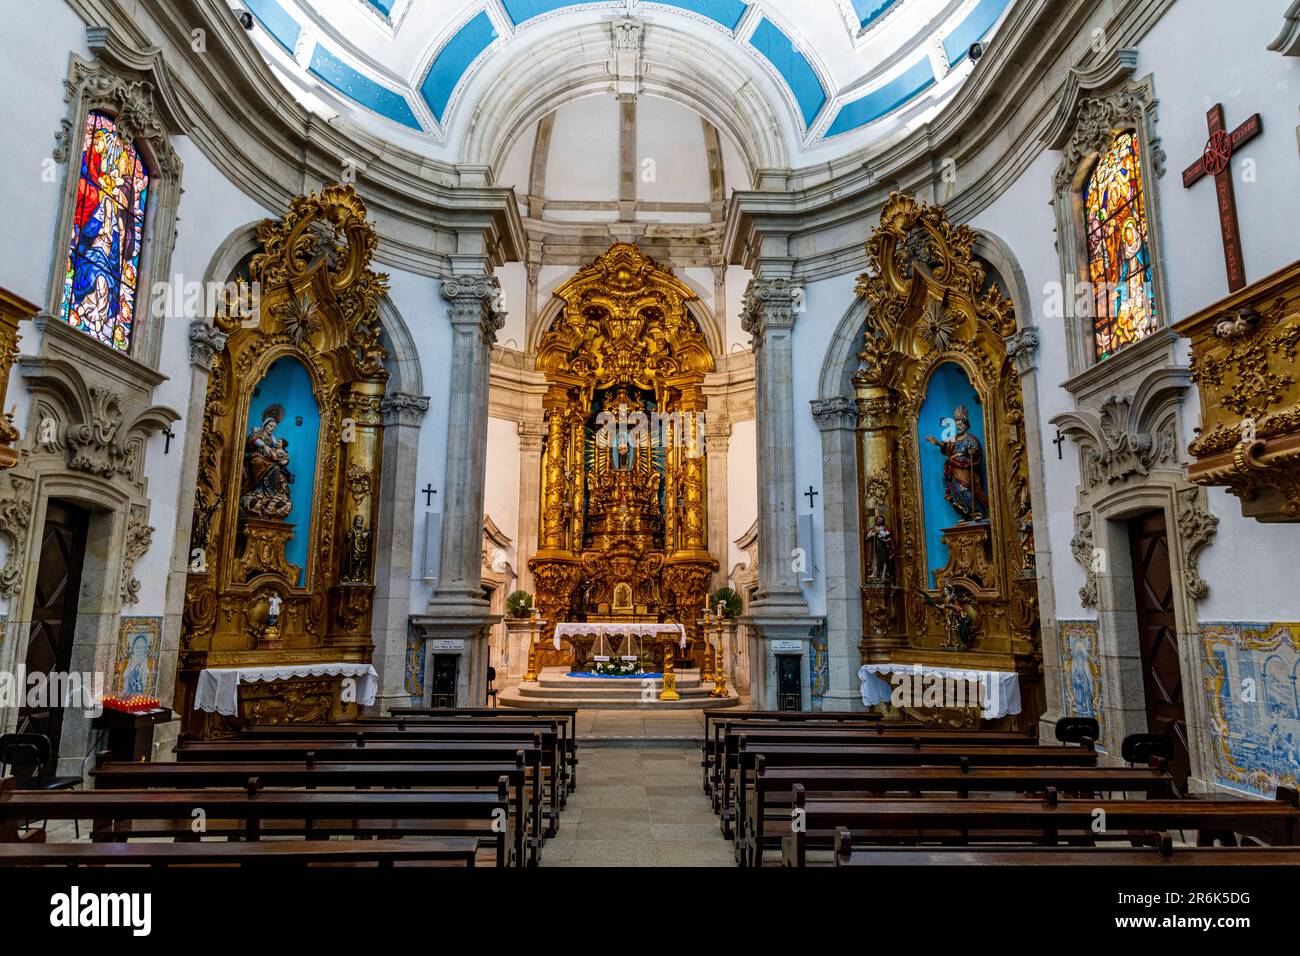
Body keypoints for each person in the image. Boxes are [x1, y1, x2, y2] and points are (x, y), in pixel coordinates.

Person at [925, 405, 989, 521]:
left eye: (961, 424)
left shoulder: (970, 439)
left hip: (965, 469)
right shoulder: (954, 438)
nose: (959, 427)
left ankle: (977, 511)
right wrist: (937, 443)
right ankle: (965, 513)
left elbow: (976, 452)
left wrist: (972, 452)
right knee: (956, 493)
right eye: (957, 424)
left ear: (966, 425)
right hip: (954, 469)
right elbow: (946, 448)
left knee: (965, 490)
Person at [240, 404, 293, 518]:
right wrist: (264, 446)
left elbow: (276, 448)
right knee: (258, 462)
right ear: (265, 425)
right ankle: (256, 489)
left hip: (268, 460)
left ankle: (270, 493)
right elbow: (253, 440)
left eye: (274, 427)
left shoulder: (273, 438)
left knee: (275, 468)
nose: (272, 428)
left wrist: (277, 454)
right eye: (270, 426)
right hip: (256, 456)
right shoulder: (259, 433)